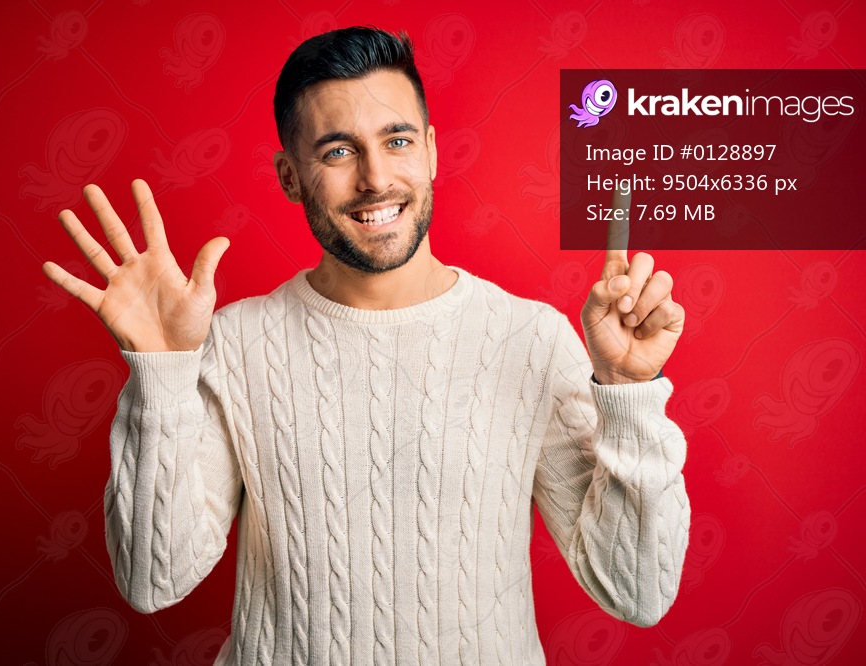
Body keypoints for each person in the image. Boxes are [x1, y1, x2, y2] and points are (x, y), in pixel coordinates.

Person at [42, 26, 689, 666]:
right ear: (291, 177)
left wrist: (629, 396)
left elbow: (637, 591)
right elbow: (155, 580)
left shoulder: (531, 339)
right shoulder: (235, 345)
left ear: (432, 152)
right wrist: (162, 373)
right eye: (337, 152)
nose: (376, 178)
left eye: (397, 140)